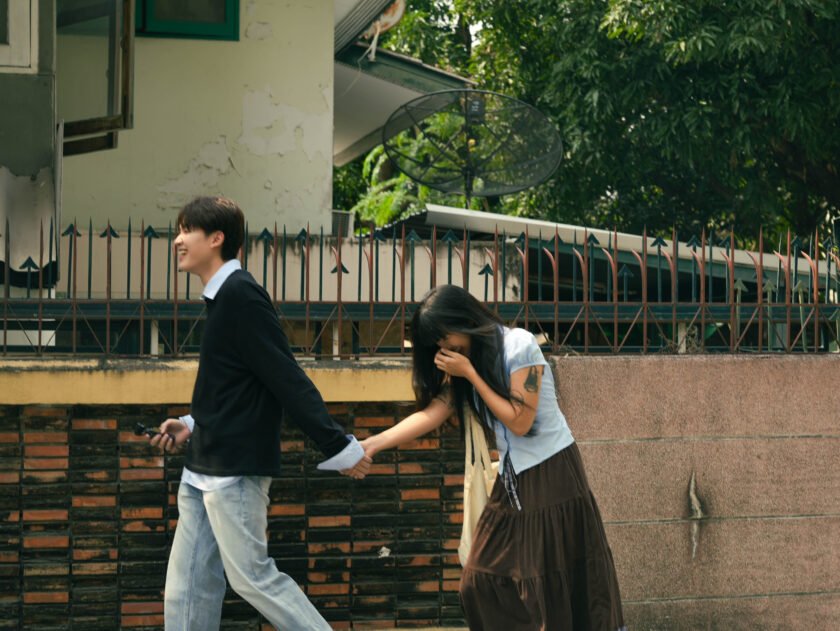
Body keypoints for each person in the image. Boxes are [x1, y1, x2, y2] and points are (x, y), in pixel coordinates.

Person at [148, 196, 370, 631]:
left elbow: (284, 376)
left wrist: (337, 445)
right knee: (186, 591)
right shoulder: (222, 297)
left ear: (217, 238)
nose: (177, 240)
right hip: (204, 466)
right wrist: (192, 423)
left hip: (233, 471)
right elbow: (231, 383)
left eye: (187, 230)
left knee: (253, 578)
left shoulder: (241, 295)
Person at [351, 284, 625, 630]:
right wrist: (373, 444)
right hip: (513, 480)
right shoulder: (471, 361)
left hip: (553, 471)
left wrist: (470, 374)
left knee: (546, 581)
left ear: (464, 319)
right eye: (436, 342)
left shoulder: (519, 346)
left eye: (444, 336)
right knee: (479, 578)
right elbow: (434, 412)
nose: (444, 347)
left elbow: (521, 421)